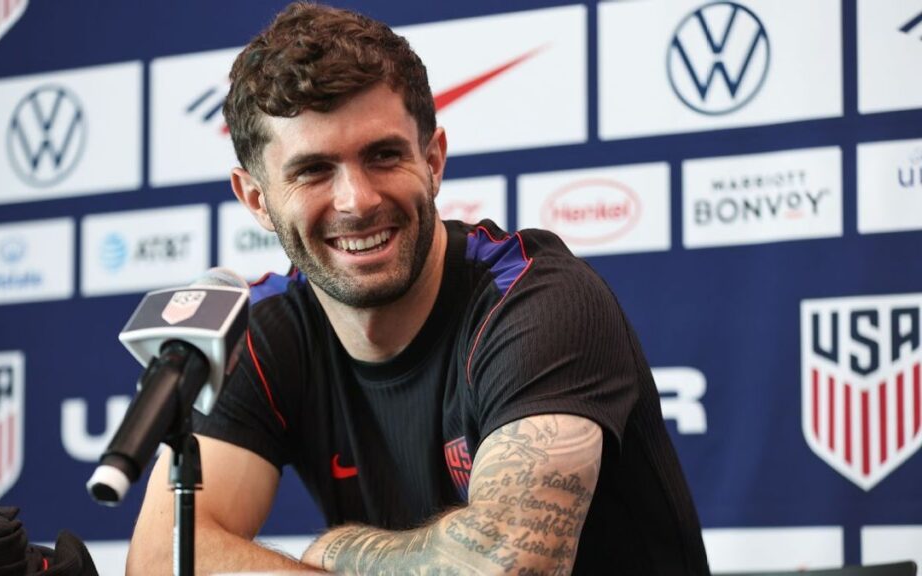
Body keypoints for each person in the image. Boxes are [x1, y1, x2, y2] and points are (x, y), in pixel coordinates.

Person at [127, 2, 710, 574]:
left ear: (432, 160)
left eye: (383, 156)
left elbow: (505, 566)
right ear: (256, 197)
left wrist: (331, 551)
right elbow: (160, 558)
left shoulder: (535, 299)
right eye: (313, 170)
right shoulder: (262, 330)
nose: (357, 200)